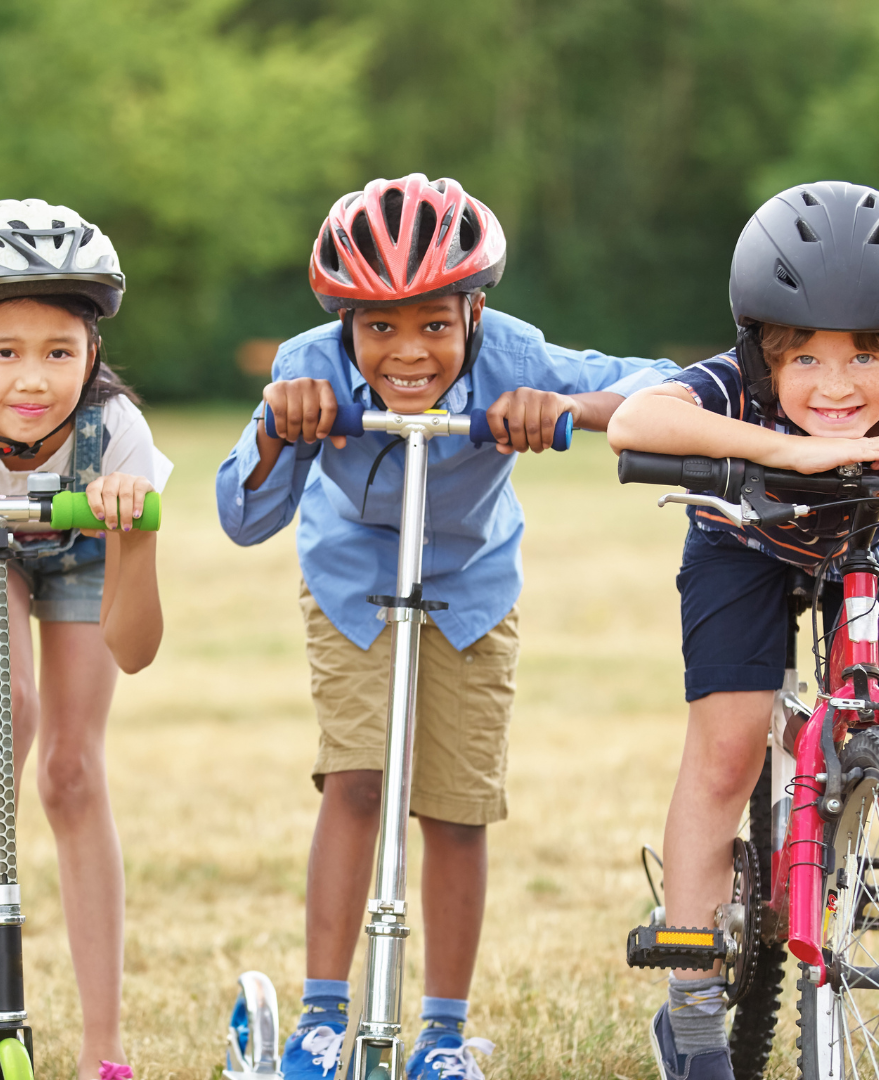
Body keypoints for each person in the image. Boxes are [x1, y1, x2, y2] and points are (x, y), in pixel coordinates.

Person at [217, 173, 678, 1080]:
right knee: (356, 781)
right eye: (379, 327)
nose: (409, 353)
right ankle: (320, 1017)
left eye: (435, 324)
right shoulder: (305, 364)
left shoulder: (516, 355)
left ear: (474, 311)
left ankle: (442, 1032)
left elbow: (665, 390)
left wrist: (565, 409)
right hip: (353, 576)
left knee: (458, 811)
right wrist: (277, 432)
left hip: (471, 587)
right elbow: (244, 517)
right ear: (345, 322)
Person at [608, 180, 879, 1080]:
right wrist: (792, 451)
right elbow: (632, 419)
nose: (836, 385)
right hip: (744, 549)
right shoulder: (732, 384)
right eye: (804, 359)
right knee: (729, 749)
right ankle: (692, 1010)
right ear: (762, 351)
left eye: (862, 359)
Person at [0, 199, 171, 1080]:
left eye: (59, 352)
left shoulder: (117, 432)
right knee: (6, 706)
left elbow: (135, 647)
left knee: (70, 770)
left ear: (92, 351)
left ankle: (103, 1049)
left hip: (86, 543)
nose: (34, 379)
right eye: (4, 352)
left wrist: (136, 533)